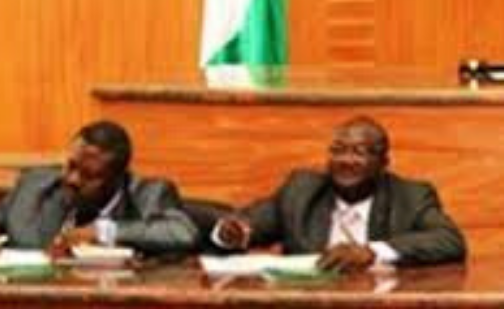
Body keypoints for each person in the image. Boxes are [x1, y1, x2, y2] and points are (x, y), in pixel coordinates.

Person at [213, 116, 466, 272]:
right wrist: (231, 233)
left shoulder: (410, 196)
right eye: (338, 150)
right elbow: (250, 223)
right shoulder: (302, 190)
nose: (345, 160)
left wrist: (372, 253)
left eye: (359, 152)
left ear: (383, 163)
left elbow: (449, 240)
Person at [0, 120, 198, 256]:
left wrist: (104, 232)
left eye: (88, 175)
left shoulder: (147, 193)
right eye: (71, 166)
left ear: (117, 178)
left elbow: (182, 232)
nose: (73, 179)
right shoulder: (36, 186)